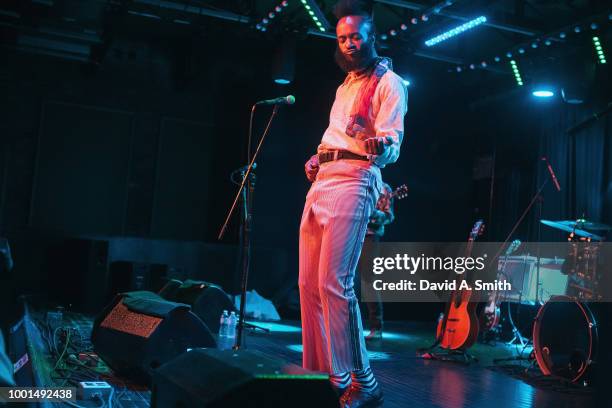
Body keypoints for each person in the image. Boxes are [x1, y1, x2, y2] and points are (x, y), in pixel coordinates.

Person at [298, 1, 407, 406]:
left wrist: (380, 143)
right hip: (322, 182)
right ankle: (328, 374)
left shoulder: (389, 83)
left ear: (372, 37)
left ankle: (365, 382)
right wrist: (318, 155)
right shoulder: (344, 86)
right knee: (308, 284)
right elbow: (335, 136)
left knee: (334, 284)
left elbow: (392, 142)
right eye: (342, 38)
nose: (348, 44)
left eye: (355, 36)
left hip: (355, 180)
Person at [358, 182, 394, 342]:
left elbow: (389, 216)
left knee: (368, 282)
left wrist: (371, 213)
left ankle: (376, 326)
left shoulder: (384, 188)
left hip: (369, 237)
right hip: (349, 233)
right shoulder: (356, 182)